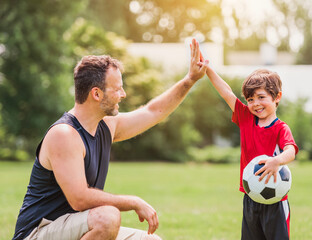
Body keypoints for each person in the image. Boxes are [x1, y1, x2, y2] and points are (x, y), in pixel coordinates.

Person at [13, 38, 209, 240]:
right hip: (38, 232)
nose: (123, 94)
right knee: (107, 217)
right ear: (96, 94)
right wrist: (133, 201)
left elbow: (152, 112)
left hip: (75, 229)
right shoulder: (64, 134)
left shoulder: (105, 126)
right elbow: (79, 199)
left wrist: (189, 80)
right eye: (117, 89)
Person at [202, 59, 298, 239]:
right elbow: (226, 92)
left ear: (277, 97)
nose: (255, 104)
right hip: (251, 196)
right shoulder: (245, 117)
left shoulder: (281, 128)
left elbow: (290, 151)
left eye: (261, 97)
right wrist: (207, 69)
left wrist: (276, 161)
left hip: (276, 200)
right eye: (250, 99)